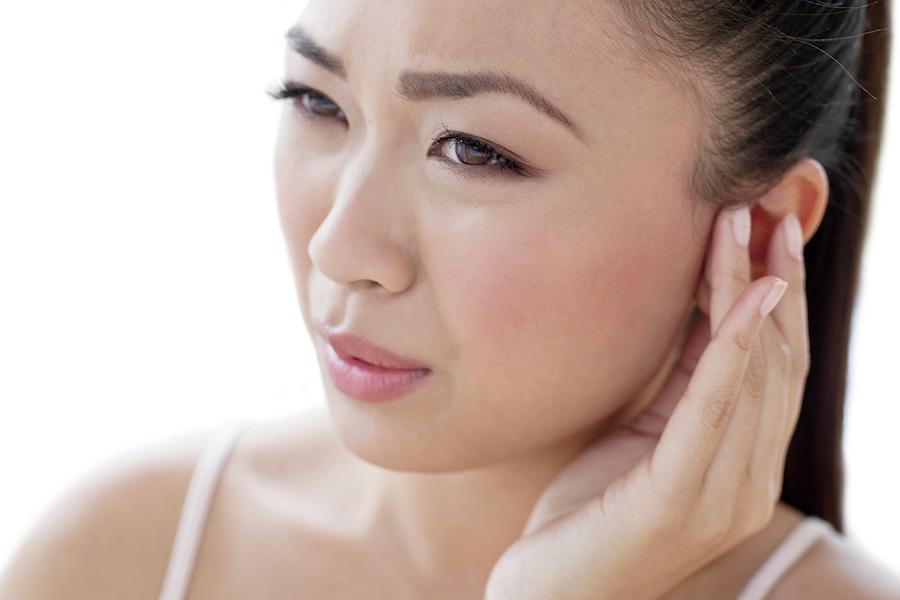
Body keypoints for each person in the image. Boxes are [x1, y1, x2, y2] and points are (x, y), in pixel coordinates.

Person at [2, 1, 899, 598]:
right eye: (316, 100)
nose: (340, 247)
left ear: (757, 227)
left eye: (474, 150)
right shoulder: (121, 555)